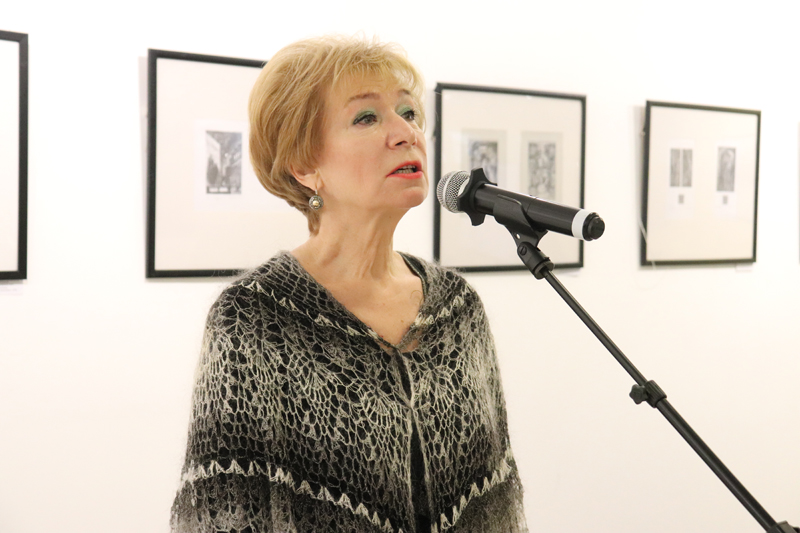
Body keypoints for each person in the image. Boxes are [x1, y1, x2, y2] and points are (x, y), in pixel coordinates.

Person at [170, 35, 527, 533]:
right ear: (304, 165)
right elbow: (224, 510)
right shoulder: (255, 318)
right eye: (367, 117)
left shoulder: (456, 309)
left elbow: (497, 501)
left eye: (409, 113)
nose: (405, 133)